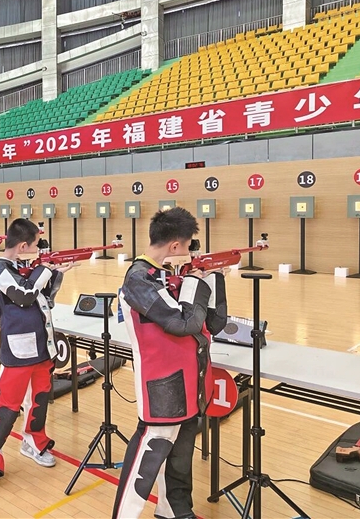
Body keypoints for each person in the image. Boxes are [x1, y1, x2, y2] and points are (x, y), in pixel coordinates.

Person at [112, 207, 227, 519]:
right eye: (187, 246)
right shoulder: (138, 279)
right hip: (162, 386)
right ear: (175, 246)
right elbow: (183, 323)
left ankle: (173, 510)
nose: (189, 252)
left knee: (180, 457)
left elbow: (214, 323)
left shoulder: (170, 275)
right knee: (146, 462)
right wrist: (194, 282)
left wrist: (213, 277)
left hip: (191, 381)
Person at [0, 218, 73, 492]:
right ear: (22, 246)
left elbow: (45, 298)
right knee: (7, 407)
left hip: (43, 347)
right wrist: (44, 269)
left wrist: (56, 273)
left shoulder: (24, 267)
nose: (39, 250)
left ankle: (33, 442)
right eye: (36, 246)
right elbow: (24, 294)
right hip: (18, 350)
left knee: (39, 401)